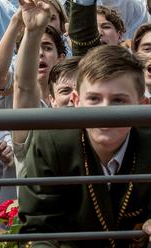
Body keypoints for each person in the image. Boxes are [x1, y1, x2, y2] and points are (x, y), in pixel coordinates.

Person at [19, 46, 151, 247]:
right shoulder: (50, 143)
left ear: (142, 106)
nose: (105, 111)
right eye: (94, 99)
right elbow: (39, 229)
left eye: (118, 100)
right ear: (76, 101)